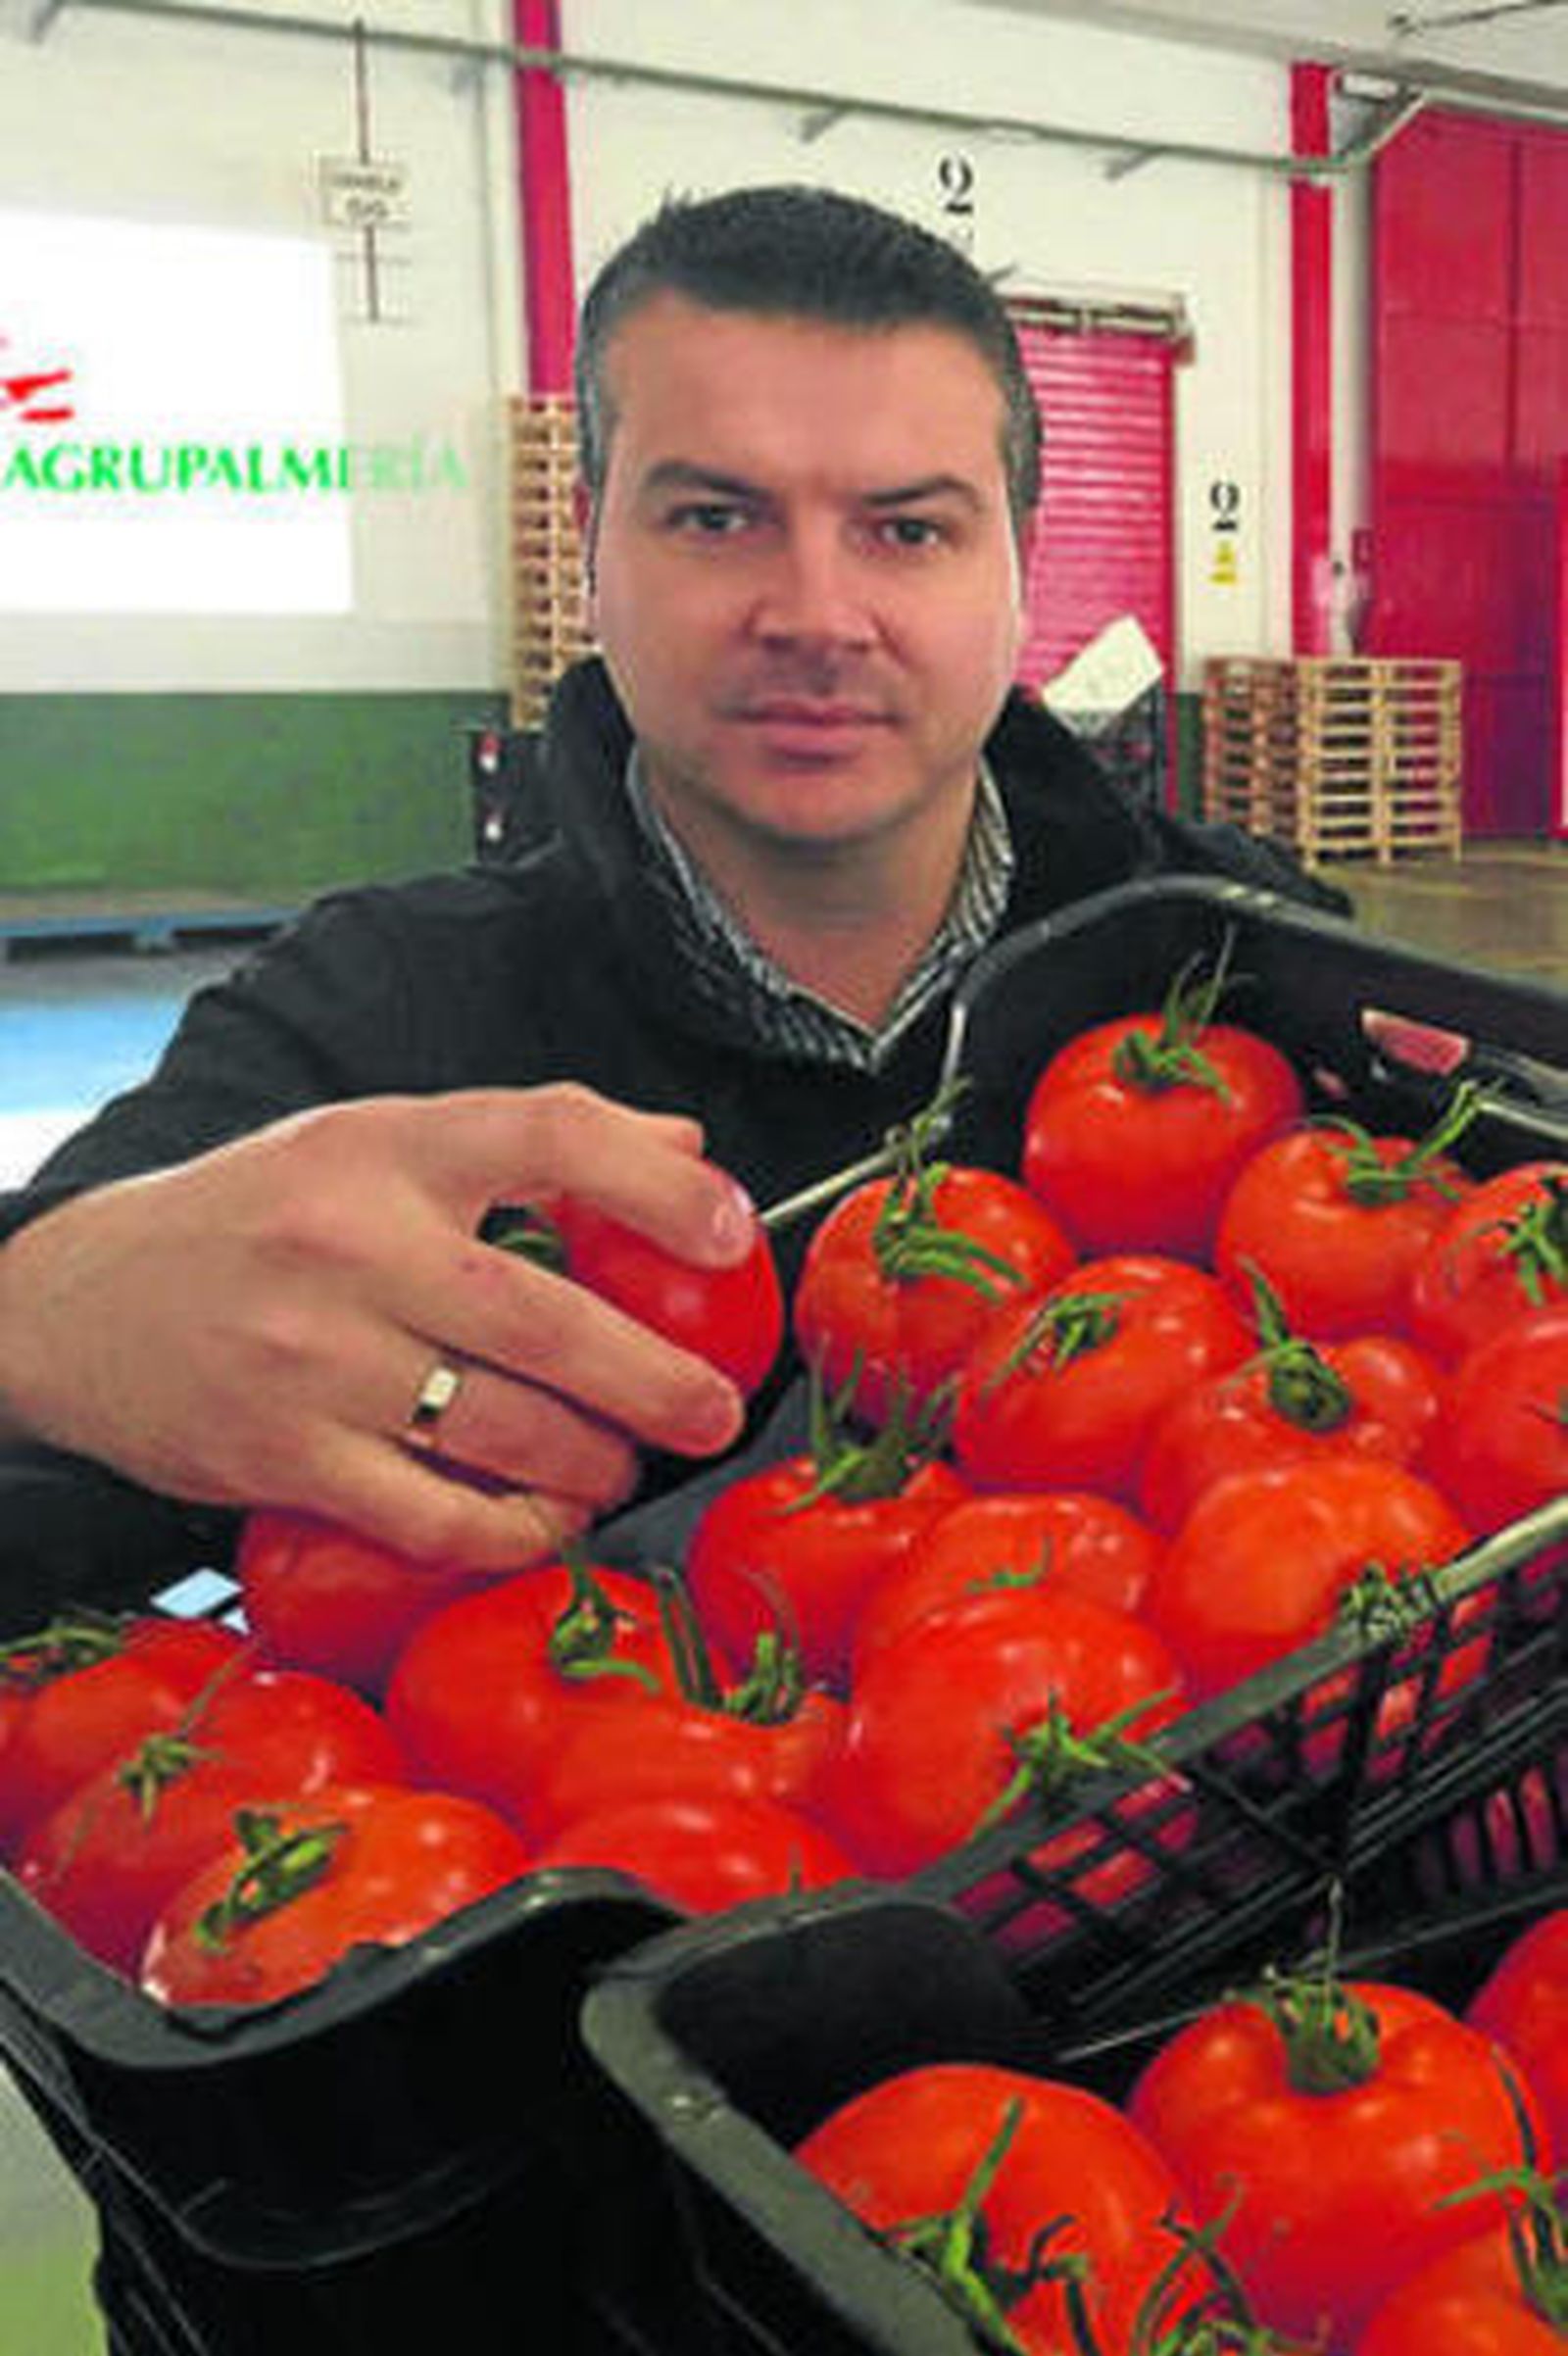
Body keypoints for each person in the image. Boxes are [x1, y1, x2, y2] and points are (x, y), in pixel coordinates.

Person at [0, 183, 1342, 1628]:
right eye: (716, 517)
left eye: (907, 531)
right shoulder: (374, 1020)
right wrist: (43, 1318)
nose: (817, 613)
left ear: (1017, 559)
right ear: (591, 541)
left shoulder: (1232, 946)